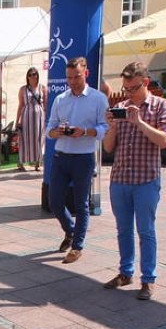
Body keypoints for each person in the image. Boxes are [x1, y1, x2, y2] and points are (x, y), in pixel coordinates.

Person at [102, 62, 166, 301]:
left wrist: (140, 123)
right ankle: (125, 272)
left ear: (145, 83)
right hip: (120, 178)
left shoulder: (161, 105)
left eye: (132, 88)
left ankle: (148, 279)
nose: (128, 93)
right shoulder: (121, 106)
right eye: (125, 88)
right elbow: (108, 147)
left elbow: (164, 141)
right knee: (123, 229)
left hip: (146, 179)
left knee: (146, 230)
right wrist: (112, 127)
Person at [45, 56, 109, 264]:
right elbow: (49, 130)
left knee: (81, 204)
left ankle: (77, 246)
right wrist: (58, 132)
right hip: (61, 155)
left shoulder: (98, 99)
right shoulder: (61, 99)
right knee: (54, 201)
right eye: (69, 78)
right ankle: (70, 231)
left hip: (83, 158)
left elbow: (104, 129)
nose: (73, 81)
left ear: (86, 74)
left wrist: (85, 132)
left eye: (77, 77)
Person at [15, 67, 47, 172]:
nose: (33, 76)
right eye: (30, 75)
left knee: (39, 138)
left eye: (34, 74)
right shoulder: (23, 89)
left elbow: (45, 104)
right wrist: (17, 120)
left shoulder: (42, 88)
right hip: (26, 116)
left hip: (39, 116)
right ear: (27, 77)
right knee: (25, 139)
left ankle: (38, 163)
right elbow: (20, 105)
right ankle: (21, 162)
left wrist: (47, 118)